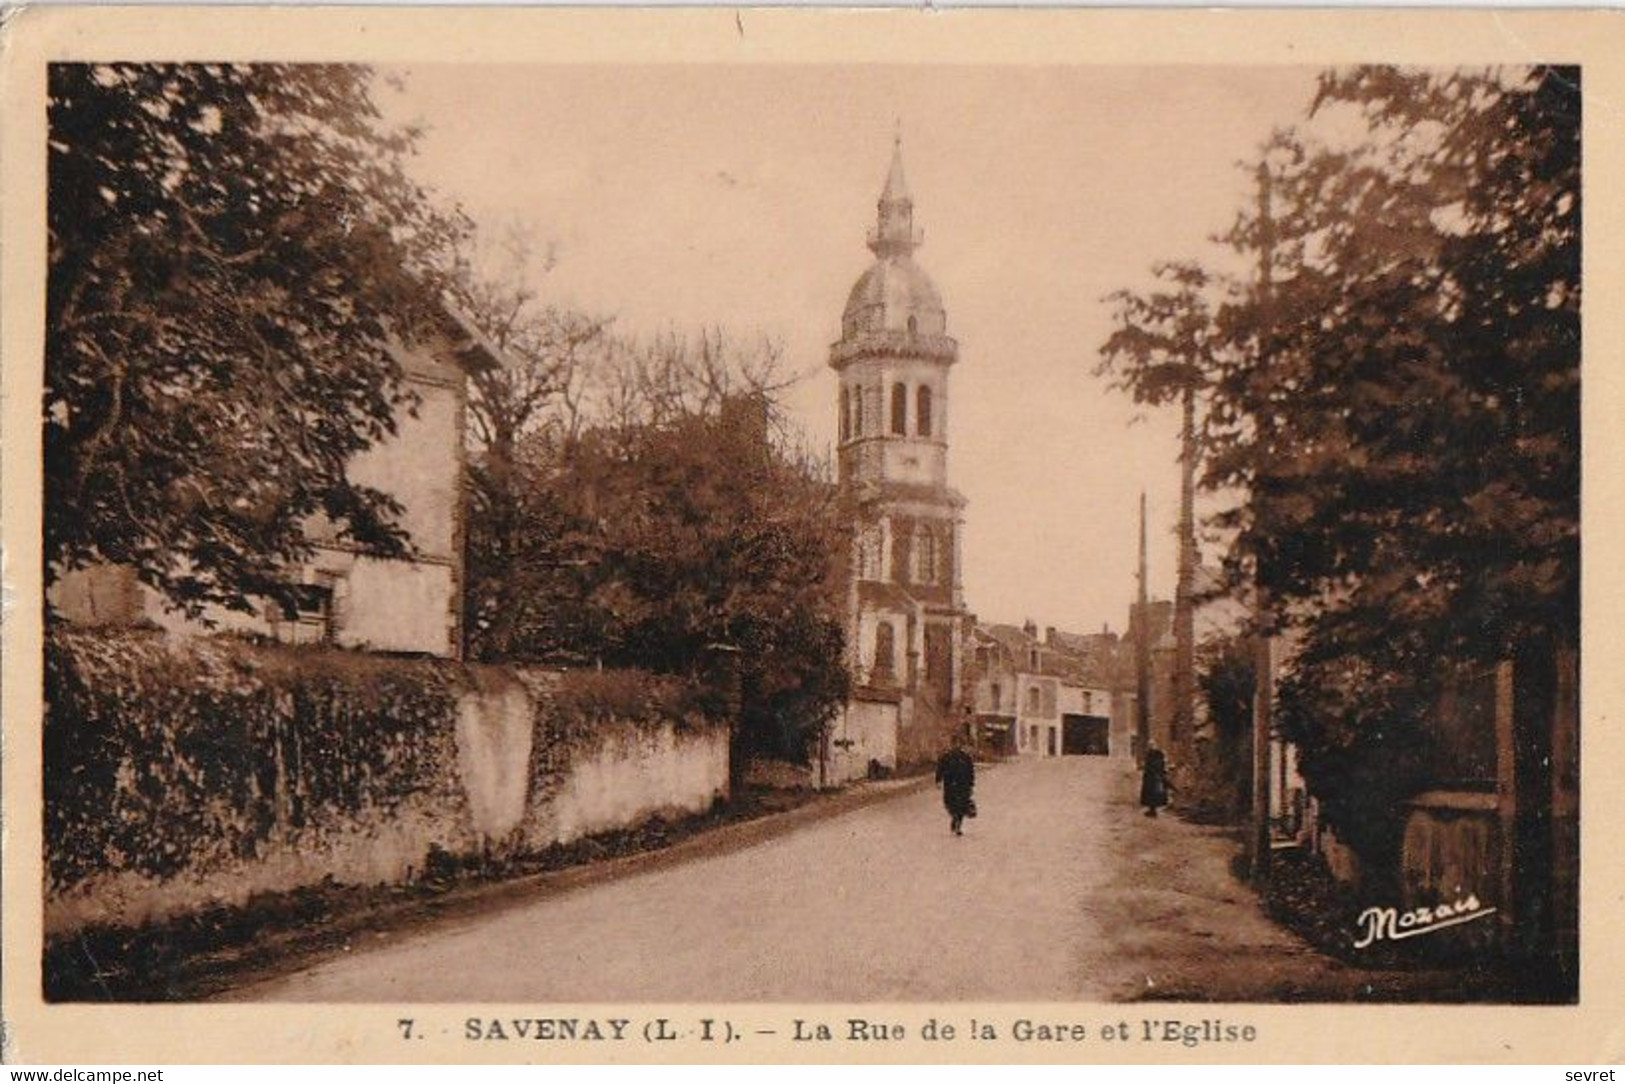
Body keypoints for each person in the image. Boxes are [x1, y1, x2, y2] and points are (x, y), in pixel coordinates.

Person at [935, 736, 976, 836]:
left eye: (958, 744)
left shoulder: (965, 757)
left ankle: (958, 823)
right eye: (955, 744)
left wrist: (971, 784)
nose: (956, 746)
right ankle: (955, 817)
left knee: (961, 805)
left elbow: (971, 771)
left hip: (962, 784)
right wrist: (938, 780)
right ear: (952, 744)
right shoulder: (946, 756)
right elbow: (940, 769)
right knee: (950, 803)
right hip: (951, 784)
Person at [1141, 742, 1170, 818]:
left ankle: (1153, 810)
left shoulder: (1157, 755)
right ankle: (1152, 810)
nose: (1150, 747)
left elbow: (1157, 765)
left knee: (1154, 794)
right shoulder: (1150, 754)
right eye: (1149, 746)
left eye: (1151, 746)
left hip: (1154, 778)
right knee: (1151, 795)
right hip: (1151, 777)